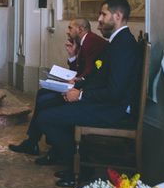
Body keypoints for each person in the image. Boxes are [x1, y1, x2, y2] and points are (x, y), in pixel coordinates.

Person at [32, 0, 141, 188]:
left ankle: (79, 166)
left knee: (46, 118)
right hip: (104, 103)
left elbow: (115, 92)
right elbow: (99, 76)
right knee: (49, 104)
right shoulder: (116, 42)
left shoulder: (123, 46)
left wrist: (80, 95)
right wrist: (79, 86)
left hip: (113, 110)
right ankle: (68, 158)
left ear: (117, 16)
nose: (98, 19)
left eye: (103, 14)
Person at [8, 18, 107, 155]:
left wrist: (76, 82)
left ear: (80, 29)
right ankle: (34, 142)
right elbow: (80, 69)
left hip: (87, 91)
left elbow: (89, 71)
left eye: (70, 28)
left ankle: (52, 148)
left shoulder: (91, 41)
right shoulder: (83, 41)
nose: (67, 32)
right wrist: (72, 56)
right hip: (82, 86)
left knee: (46, 100)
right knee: (43, 93)